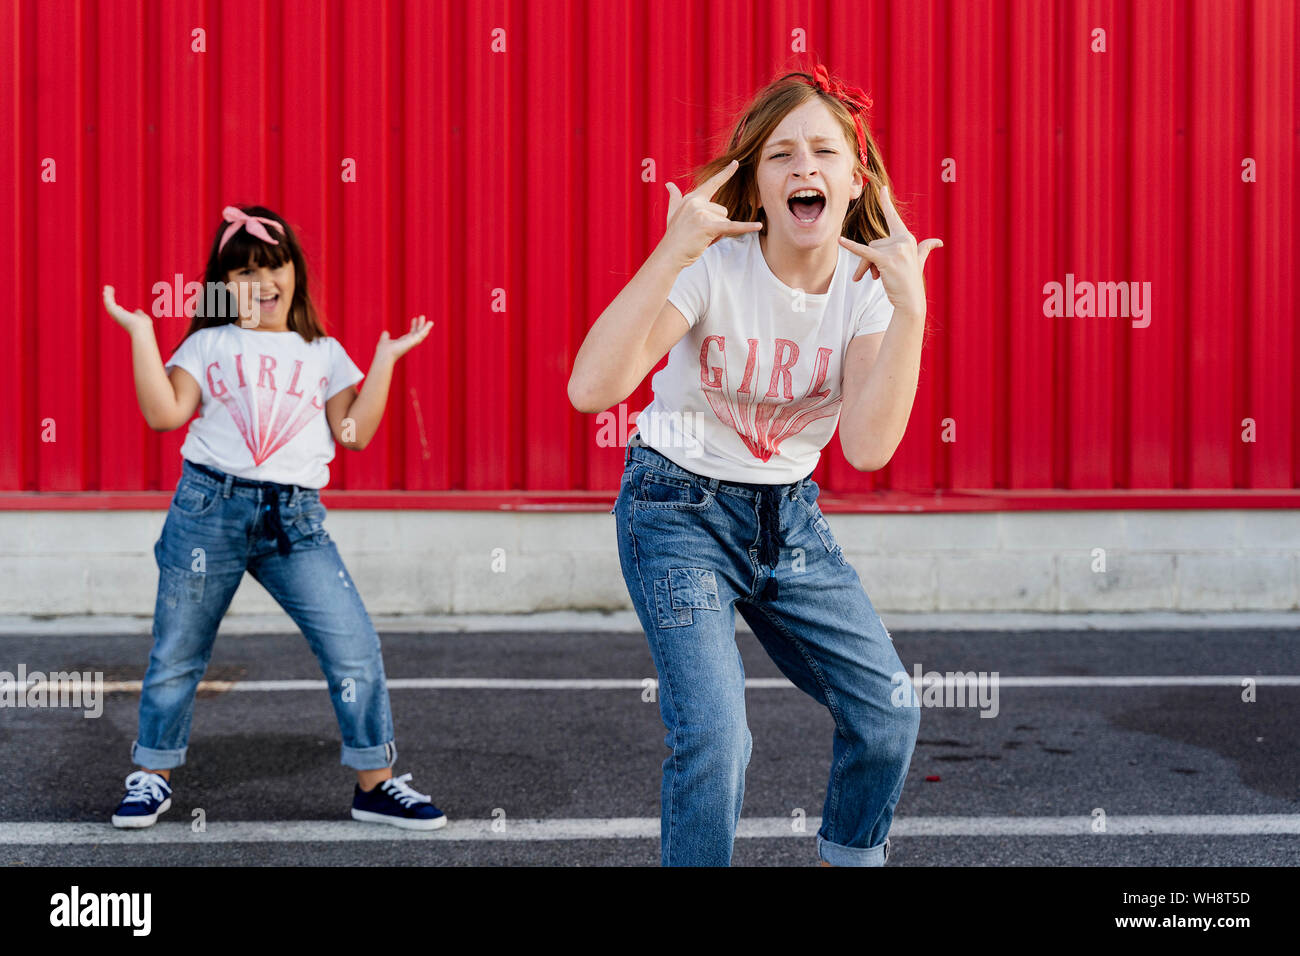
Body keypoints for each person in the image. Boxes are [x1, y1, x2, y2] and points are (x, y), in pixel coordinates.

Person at [569, 64, 943, 866]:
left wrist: (911, 309)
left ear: (853, 179)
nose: (803, 166)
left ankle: (851, 853)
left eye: (822, 152)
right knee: (716, 736)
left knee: (887, 712)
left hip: (789, 520)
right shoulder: (711, 269)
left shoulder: (869, 292)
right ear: (757, 184)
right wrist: (671, 251)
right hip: (677, 513)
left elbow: (869, 447)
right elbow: (591, 387)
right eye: (780, 155)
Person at [101, 204, 443, 830]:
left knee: (353, 646)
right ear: (222, 285)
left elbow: (354, 434)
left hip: (296, 521)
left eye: (271, 266)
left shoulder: (323, 352)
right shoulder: (208, 343)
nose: (259, 282)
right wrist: (142, 334)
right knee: (178, 651)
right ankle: (152, 775)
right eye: (242, 272)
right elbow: (164, 415)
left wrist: (386, 361)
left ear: (294, 272)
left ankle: (375, 783)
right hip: (209, 510)